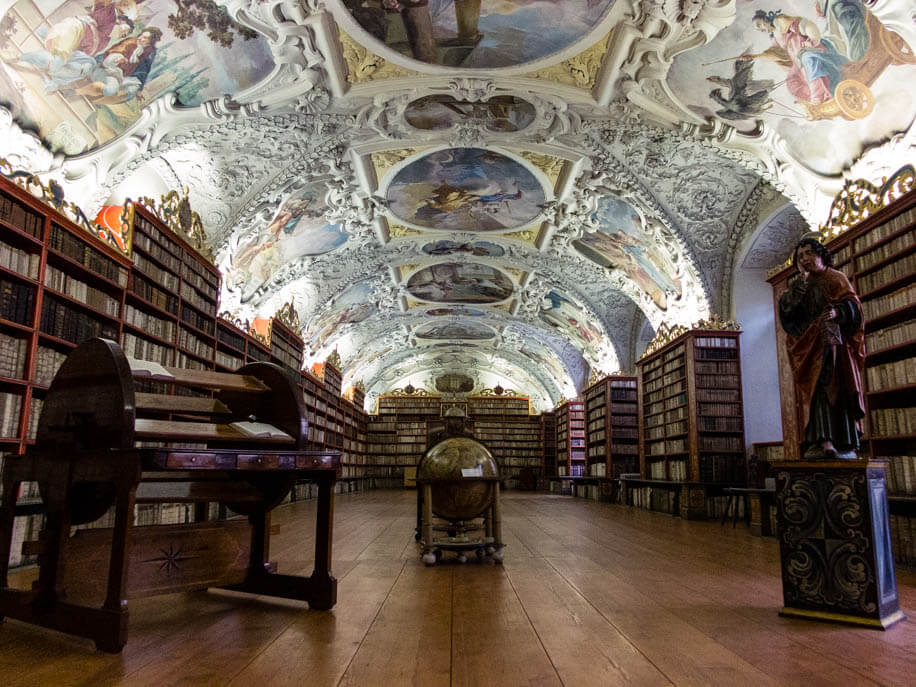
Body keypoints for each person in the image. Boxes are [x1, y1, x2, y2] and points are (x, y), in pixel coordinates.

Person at [778, 236, 865, 460]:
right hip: (812, 347)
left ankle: (846, 441)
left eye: (809, 253)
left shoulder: (836, 278)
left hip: (837, 346)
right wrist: (800, 287)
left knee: (841, 390)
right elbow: (789, 315)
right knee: (819, 392)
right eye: (800, 256)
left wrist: (839, 312)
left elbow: (854, 307)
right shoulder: (801, 285)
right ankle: (824, 440)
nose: (805, 259)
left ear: (820, 254)